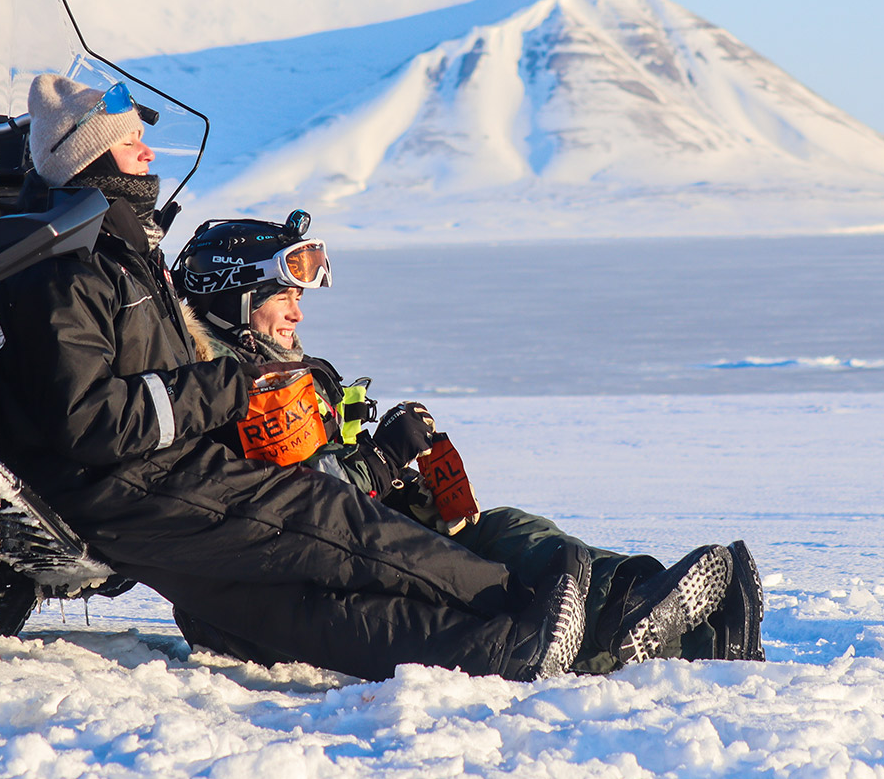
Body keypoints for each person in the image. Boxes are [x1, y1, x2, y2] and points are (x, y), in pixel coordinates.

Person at [0, 73, 608, 683]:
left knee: (286, 617)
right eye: (127, 143)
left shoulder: (115, 252)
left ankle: (499, 648)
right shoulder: (68, 269)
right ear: (88, 161)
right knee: (334, 522)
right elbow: (87, 418)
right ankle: (518, 610)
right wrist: (232, 387)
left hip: (142, 479)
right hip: (133, 481)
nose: (147, 150)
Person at [171, 214, 766, 671]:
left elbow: (329, 469)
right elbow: (289, 505)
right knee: (493, 582)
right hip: (306, 571)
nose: (297, 315)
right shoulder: (221, 389)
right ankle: (628, 632)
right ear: (236, 297)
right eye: (285, 297)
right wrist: (381, 462)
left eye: (299, 298)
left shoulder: (285, 374)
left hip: (363, 536)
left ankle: (669, 610)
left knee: (505, 529)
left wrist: (411, 477)